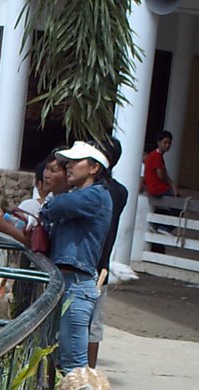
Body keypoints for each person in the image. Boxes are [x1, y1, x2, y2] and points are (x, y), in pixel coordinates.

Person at [39, 141, 113, 372]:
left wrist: (50, 205)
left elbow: (54, 206)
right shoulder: (86, 196)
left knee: (73, 364)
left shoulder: (95, 196)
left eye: (75, 162)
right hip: (70, 284)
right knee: (65, 361)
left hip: (76, 285)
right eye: (67, 163)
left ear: (94, 168)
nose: (69, 167)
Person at [88, 137, 129, 368]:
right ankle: (89, 373)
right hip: (101, 266)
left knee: (85, 323)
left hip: (87, 266)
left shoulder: (95, 192)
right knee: (93, 325)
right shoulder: (120, 192)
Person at [143, 130, 176, 198]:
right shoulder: (156, 156)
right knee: (177, 197)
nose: (167, 145)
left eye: (169, 143)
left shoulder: (156, 155)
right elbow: (161, 175)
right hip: (156, 189)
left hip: (154, 188)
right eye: (165, 142)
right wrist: (171, 184)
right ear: (159, 142)